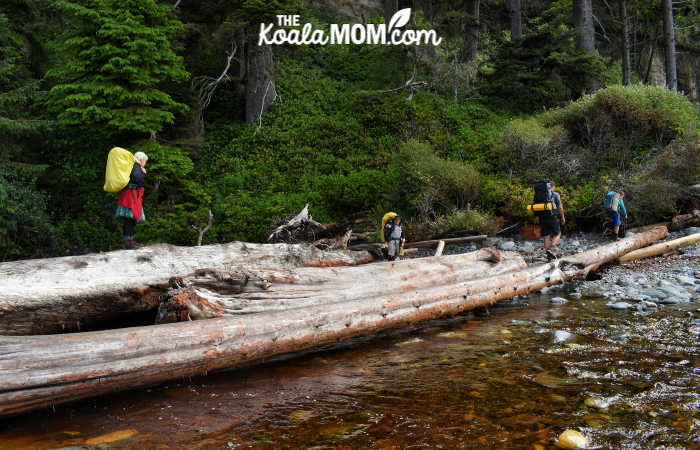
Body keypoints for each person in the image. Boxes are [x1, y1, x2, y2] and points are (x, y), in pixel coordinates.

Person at [115, 152, 148, 249]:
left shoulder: (132, 166)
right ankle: (128, 241)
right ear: (141, 159)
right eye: (145, 160)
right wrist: (143, 173)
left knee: (129, 218)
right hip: (130, 195)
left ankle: (129, 240)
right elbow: (137, 179)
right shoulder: (136, 166)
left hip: (128, 194)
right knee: (130, 218)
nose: (145, 162)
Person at [540, 182, 565, 258]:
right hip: (552, 216)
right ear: (553, 187)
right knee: (558, 233)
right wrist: (562, 217)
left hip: (542, 216)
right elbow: (560, 207)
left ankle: (548, 254)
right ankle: (553, 248)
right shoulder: (555, 194)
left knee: (546, 236)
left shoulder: (541, 195)